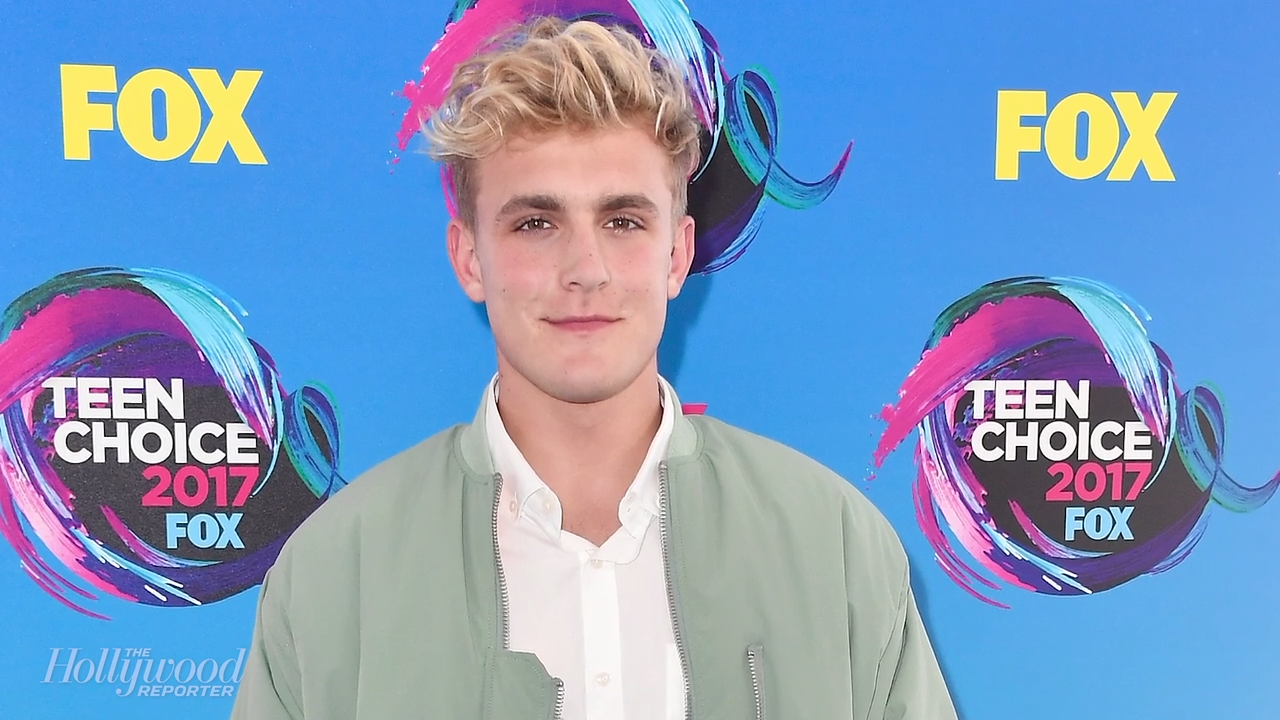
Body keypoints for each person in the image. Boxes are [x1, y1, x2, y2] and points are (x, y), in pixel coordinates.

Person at [232, 16, 956, 720]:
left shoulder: (837, 549)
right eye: (536, 223)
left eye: (623, 221)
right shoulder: (336, 572)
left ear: (677, 255)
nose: (585, 269)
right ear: (469, 259)